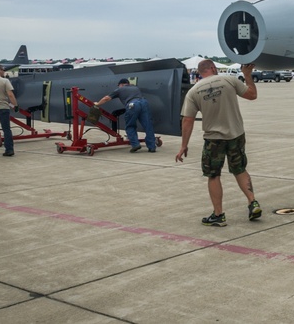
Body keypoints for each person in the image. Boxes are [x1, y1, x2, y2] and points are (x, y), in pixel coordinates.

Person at [176, 59, 261, 226]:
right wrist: (247, 75)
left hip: (214, 139)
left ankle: (218, 215)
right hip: (236, 134)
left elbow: (187, 120)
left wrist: (184, 145)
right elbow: (252, 95)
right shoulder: (229, 80)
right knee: (239, 169)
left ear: (200, 72)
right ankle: (253, 202)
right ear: (213, 68)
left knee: (213, 175)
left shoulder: (193, 91)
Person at [93, 79, 158, 153]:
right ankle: (152, 147)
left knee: (130, 126)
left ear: (121, 84)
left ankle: (135, 144)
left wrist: (97, 104)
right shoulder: (135, 88)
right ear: (128, 83)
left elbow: (106, 98)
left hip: (132, 105)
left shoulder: (119, 90)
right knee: (148, 125)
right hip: (144, 103)